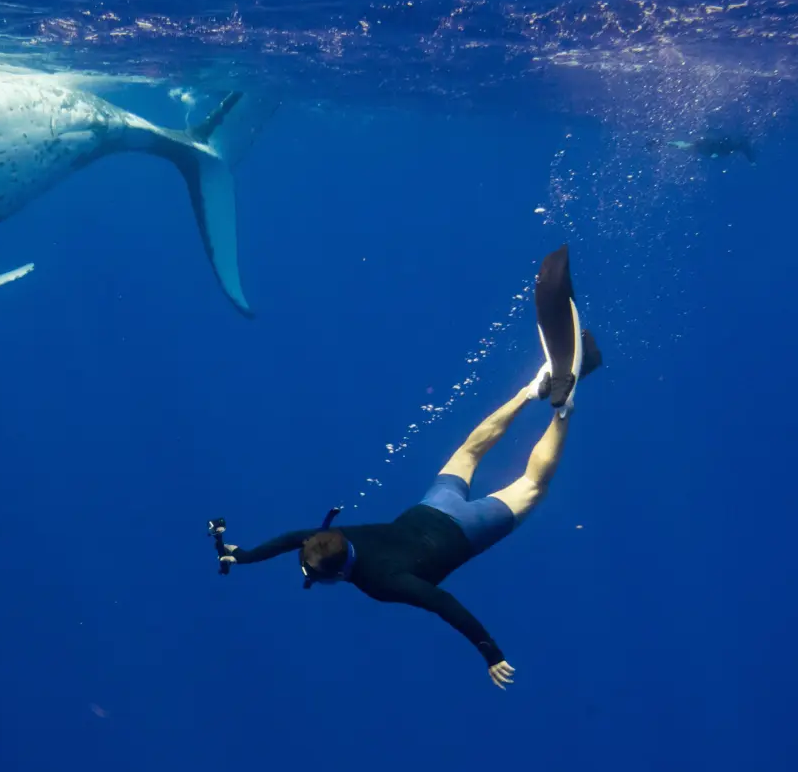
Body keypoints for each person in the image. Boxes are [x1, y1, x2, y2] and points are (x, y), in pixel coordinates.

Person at [208, 245, 599, 690]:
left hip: (467, 530)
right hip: (434, 505)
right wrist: (239, 554)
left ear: (336, 574)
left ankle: (561, 408)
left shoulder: (381, 582)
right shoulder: (328, 535)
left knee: (532, 484)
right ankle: (530, 391)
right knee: (470, 451)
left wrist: (490, 653)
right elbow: (281, 543)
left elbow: (443, 604)